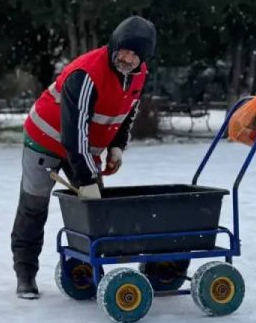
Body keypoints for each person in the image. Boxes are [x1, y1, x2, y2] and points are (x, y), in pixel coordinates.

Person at [10, 16, 157, 299]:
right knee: (33, 207)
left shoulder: (139, 75)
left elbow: (128, 112)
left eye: (135, 55)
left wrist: (117, 146)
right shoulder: (86, 73)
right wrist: (87, 178)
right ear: (114, 44)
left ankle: (87, 269)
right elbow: (74, 133)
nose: (127, 59)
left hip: (82, 145)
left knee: (94, 208)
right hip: (45, 139)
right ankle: (25, 274)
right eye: (124, 51)